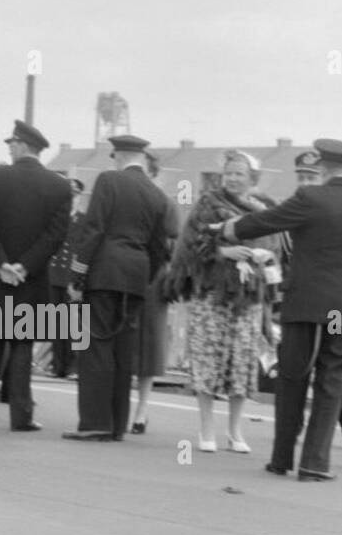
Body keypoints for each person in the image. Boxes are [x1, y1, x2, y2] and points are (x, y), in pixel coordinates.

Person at [213, 138, 342, 480]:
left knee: (293, 377)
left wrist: (229, 229)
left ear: (323, 166)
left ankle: (281, 459)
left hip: (305, 305)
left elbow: (266, 222)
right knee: (332, 378)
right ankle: (314, 463)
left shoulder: (310, 198)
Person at [163, 150, 279, 452]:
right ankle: (206, 429)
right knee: (207, 360)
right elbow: (190, 246)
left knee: (242, 362)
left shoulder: (265, 209)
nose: (233, 178)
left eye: (240, 173)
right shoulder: (207, 205)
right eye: (229, 173)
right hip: (212, 295)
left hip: (249, 298)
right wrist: (223, 253)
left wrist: (263, 266)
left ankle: (235, 431)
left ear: (252, 177)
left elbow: (275, 254)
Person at [63, 134, 172, 442]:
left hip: (105, 271)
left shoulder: (108, 180)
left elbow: (94, 228)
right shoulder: (156, 193)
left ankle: (95, 421)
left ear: (119, 156)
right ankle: (117, 422)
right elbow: (159, 246)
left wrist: (77, 275)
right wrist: (143, 276)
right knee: (124, 350)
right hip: (136, 276)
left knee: (95, 346)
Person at [0, 119, 71, 431]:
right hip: (32, 279)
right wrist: (25, 266)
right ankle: (20, 416)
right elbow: (55, 237)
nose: (9, 147)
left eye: (11, 142)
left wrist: (2, 264)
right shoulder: (59, 186)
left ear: (23, 145)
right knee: (23, 348)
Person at [129, 152, 181, 434]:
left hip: (153, 277)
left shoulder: (166, 202)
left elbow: (175, 240)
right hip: (127, 275)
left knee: (149, 343)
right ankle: (125, 406)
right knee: (124, 339)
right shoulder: (125, 197)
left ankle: (142, 409)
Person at [45, 177, 86, 377]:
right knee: (56, 322)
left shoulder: (84, 221)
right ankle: (58, 365)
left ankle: (75, 366)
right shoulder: (56, 218)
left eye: (75, 196)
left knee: (76, 324)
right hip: (54, 274)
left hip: (73, 277)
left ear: (80, 198)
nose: (72, 199)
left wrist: (79, 280)